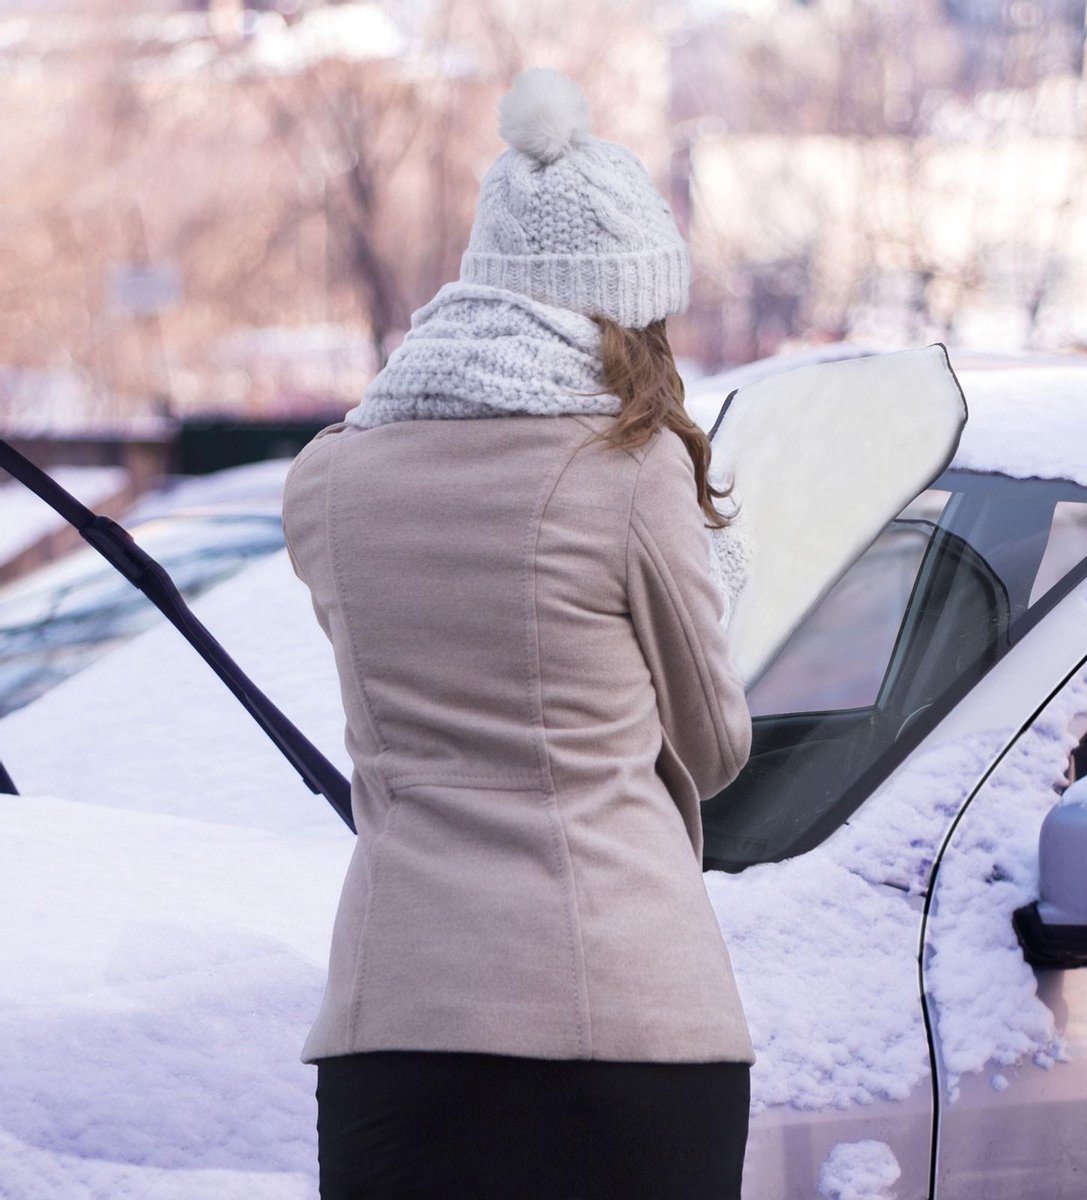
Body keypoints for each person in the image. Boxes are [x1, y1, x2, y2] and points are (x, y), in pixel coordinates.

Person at [282, 66, 755, 1200]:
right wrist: (714, 574)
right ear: (622, 310)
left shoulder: (327, 478)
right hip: (627, 1024)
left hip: (394, 1026)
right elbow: (715, 748)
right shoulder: (630, 476)